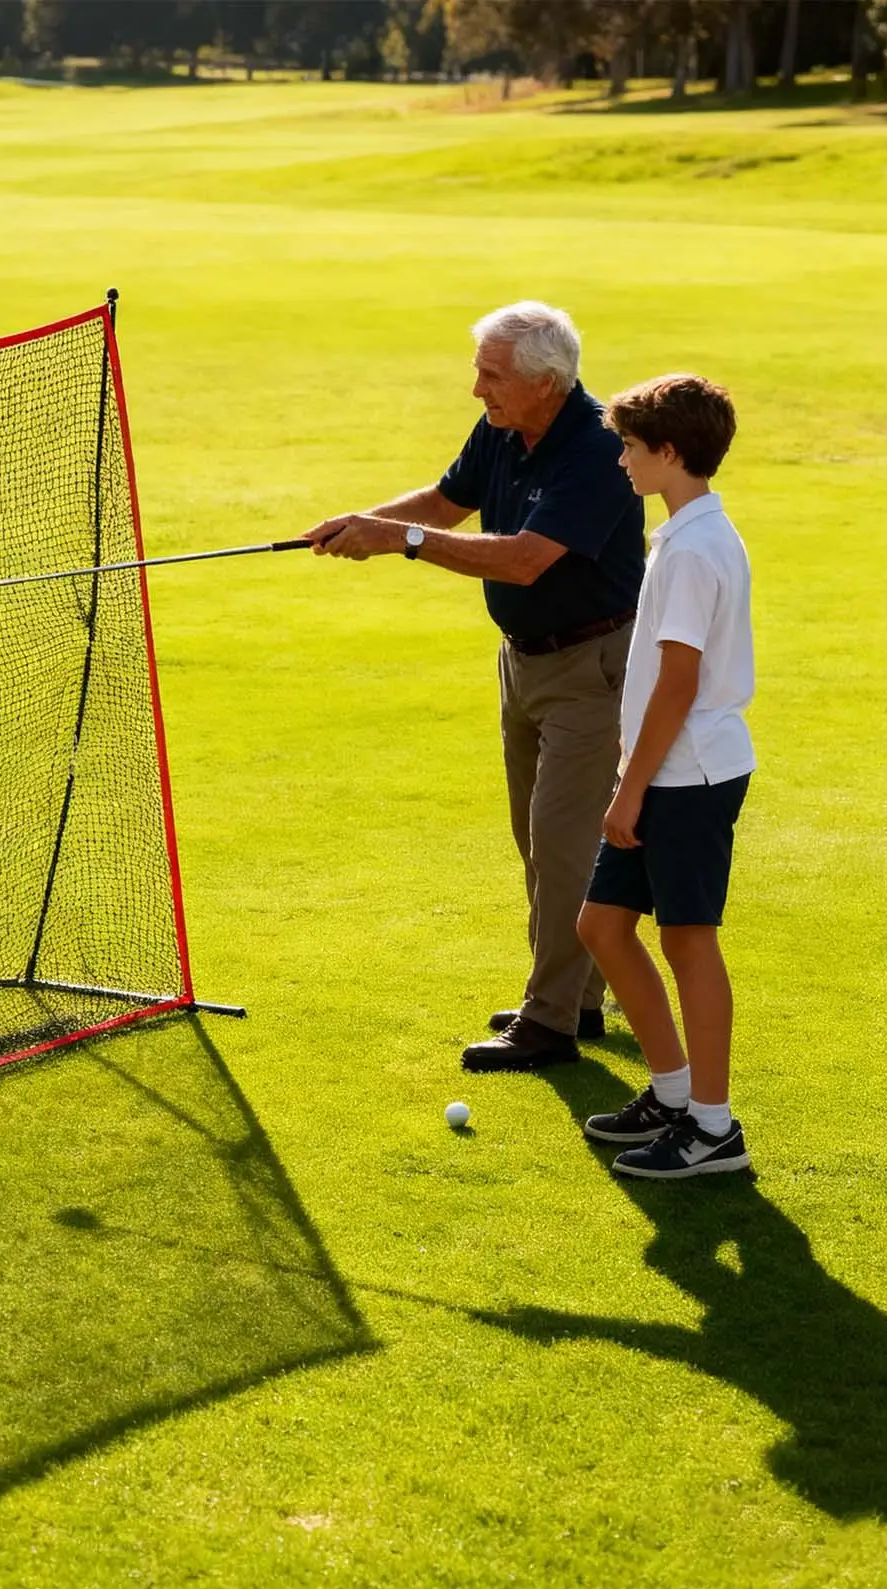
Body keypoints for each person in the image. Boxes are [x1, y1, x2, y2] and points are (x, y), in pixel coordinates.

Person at [303, 303, 644, 1071]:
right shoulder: (503, 428)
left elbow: (526, 559)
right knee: (536, 838)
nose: (475, 391)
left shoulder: (594, 449)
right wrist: (363, 521)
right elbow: (446, 499)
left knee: (562, 846)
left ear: (545, 383)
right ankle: (577, 993)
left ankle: (549, 1019)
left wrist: (402, 542)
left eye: (489, 376)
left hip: (591, 668)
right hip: (523, 659)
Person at [576, 374, 755, 1178]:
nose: (620, 459)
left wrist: (628, 787)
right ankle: (674, 1092)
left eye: (630, 446)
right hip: (666, 771)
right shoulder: (685, 534)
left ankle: (711, 1129)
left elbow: (677, 683)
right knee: (602, 927)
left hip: (688, 777)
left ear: (670, 452)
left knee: (687, 941)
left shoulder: (692, 549)